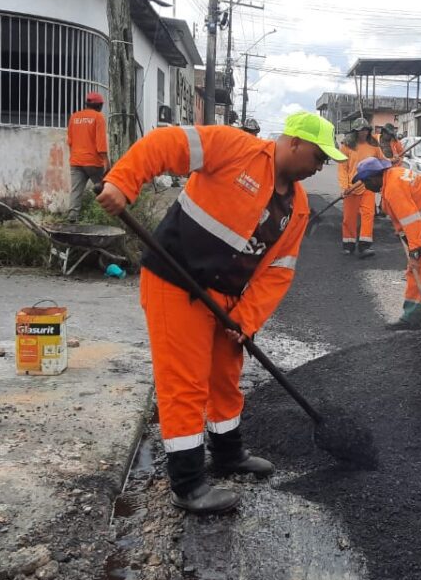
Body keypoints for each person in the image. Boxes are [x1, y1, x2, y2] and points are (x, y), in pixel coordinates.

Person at [96, 112, 345, 514]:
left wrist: (247, 318)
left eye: (326, 163)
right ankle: (188, 484)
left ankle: (228, 453)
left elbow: (279, 271)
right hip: (176, 282)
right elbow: (167, 144)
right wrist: (123, 182)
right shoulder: (234, 148)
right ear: (294, 142)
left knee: (226, 379)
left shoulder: (297, 207)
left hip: (229, 297)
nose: (320, 167)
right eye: (319, 157)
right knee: (185, 383)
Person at [352, 156, 421, 330]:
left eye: (365, 182)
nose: (365, 186)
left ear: (373, 178)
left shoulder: (393, 187)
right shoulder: (391, 178)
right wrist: (409, 245)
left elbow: (412, 220)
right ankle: (411, 319)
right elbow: (403, 219)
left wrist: (415, 250)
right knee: (413, 273)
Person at [66, 90, 109, 222]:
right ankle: (105, 217)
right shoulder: (98, 117)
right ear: (100, 105)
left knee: (76, 191)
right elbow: (100, 143)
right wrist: (106, 162)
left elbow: (70, 141)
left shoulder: (74, 117)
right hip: (93, 162)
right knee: (104, 189)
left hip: (76, 161)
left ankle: (72, 217)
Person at [340, 119, 382, 256]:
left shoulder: (374, 145)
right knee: (349, 217)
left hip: (368, 186)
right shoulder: (347, 145)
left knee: (368, 214)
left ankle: (365, 246)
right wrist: (345, 186)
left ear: (369, 130)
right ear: (355, 131)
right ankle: (348, 244)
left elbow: (381, 161)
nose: (363, 133)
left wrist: (393, 160)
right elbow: (342, 167)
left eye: (365, 130)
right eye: (360, 130)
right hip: (351, 186)